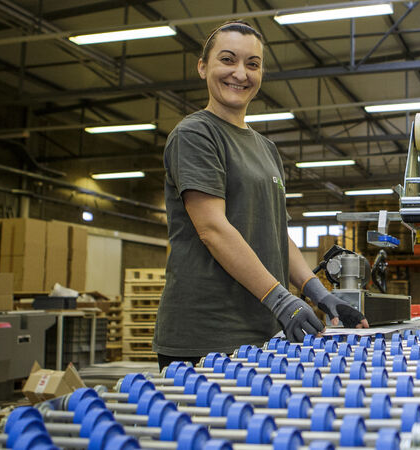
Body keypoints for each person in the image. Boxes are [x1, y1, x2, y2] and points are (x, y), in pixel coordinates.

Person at [152, 20, 368, 370]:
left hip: (262, 335)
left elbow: (278, 237)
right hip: (205, 338)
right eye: (228, 60)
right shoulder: (195, 134)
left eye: (252, 64)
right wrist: (281, 300)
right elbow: (213, 229)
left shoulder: (265, 148)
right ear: (203, 66)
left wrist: (321, 295)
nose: (240, 73)